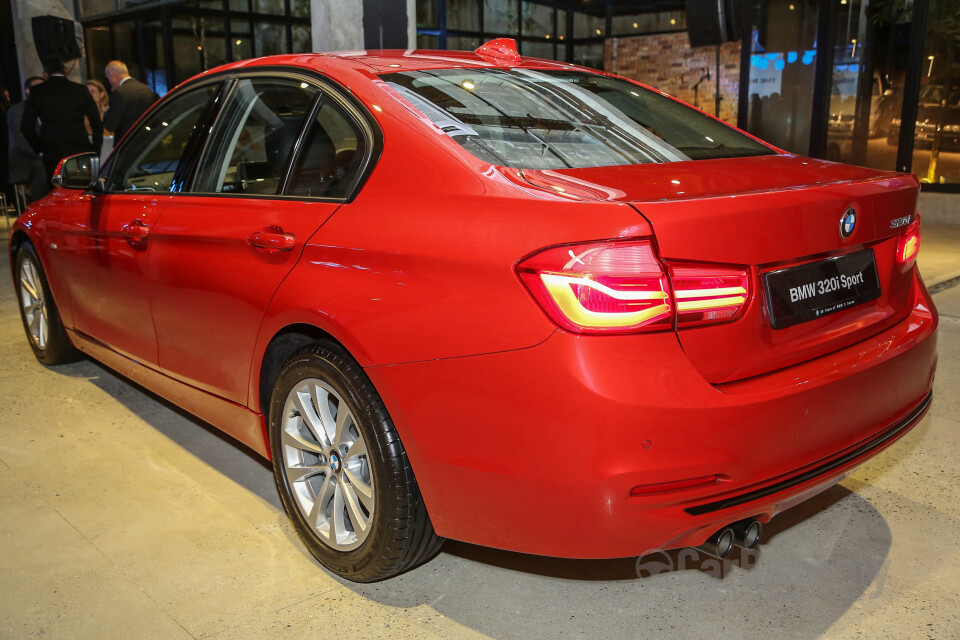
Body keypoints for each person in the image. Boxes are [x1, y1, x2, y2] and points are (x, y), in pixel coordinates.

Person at [21, 56, 102, 180]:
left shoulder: (37, 92)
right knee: (80, 187)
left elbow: (26, 126)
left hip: (51, 149)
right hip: (79, 146)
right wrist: (95, 150)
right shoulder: (80, 90)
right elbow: (96, 123)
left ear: (45, 73)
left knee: (56, 190)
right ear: (65, 70)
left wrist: (39, 148)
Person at [7, 76, 50, 203]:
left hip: (45, 153)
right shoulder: (17, 111)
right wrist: (41, 153)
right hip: (22, 158)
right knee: (41, 169)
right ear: (27, 90)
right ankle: (38, 207)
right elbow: (22, 140)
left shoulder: (49, 109)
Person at [103, 60, 158, 142]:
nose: (109, 82)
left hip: (127, 143)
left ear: (112, 75)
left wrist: (105, 112)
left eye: (108, 79)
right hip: (148, 140)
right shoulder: (146, 89)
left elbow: (111, 125)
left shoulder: (119, 93)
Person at [85, 79, 113, 161]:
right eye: (87, 92)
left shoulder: (109, 112)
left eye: (92, 91)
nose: (89, 94)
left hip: (109, 150)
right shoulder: (82, 115)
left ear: (102, 94)